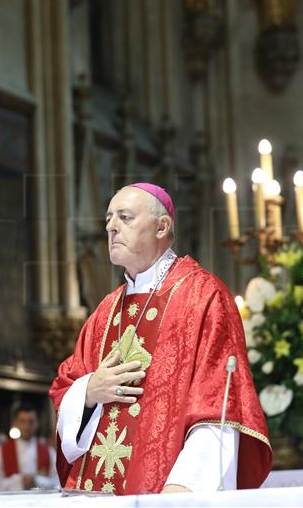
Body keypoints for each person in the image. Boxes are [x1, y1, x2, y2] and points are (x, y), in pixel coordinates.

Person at [49, 183, 272, 495]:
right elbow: (64, 388)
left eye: (125, 217)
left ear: (162, 227)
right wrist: (89, 391)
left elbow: (220, 402)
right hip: (95, 493)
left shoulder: (203, 297)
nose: (112, 226)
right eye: (109, 218)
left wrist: (184, 488)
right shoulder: (105, 312)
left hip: (168, 490)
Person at [0, 404, 58, 491]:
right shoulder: (0, 451)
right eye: (22, 421)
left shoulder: (49, 452)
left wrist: (37, 480)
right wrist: (19, 481)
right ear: (15, 423)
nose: (27, 426)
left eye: (31, 421)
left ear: (37, 423)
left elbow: (58, 482)